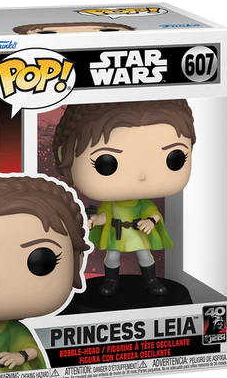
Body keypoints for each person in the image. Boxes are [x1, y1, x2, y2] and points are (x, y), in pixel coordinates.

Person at [53, 100, 196, 297]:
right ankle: (111, 281)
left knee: (145, 257)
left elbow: (153, 213)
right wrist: (94, 220)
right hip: (117, 234)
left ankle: (151, 280)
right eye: (106, 163)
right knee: (112, 258)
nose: (142, 177)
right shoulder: (111, 203)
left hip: (137, 233)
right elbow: (105, 215)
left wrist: (150, 221)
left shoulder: (142, 202)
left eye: (175, 158)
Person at [0, 176, 90, 374]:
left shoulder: (14, 330)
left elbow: (32, 350)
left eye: (41, 261)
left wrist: (20, 356)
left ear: (77, 261)